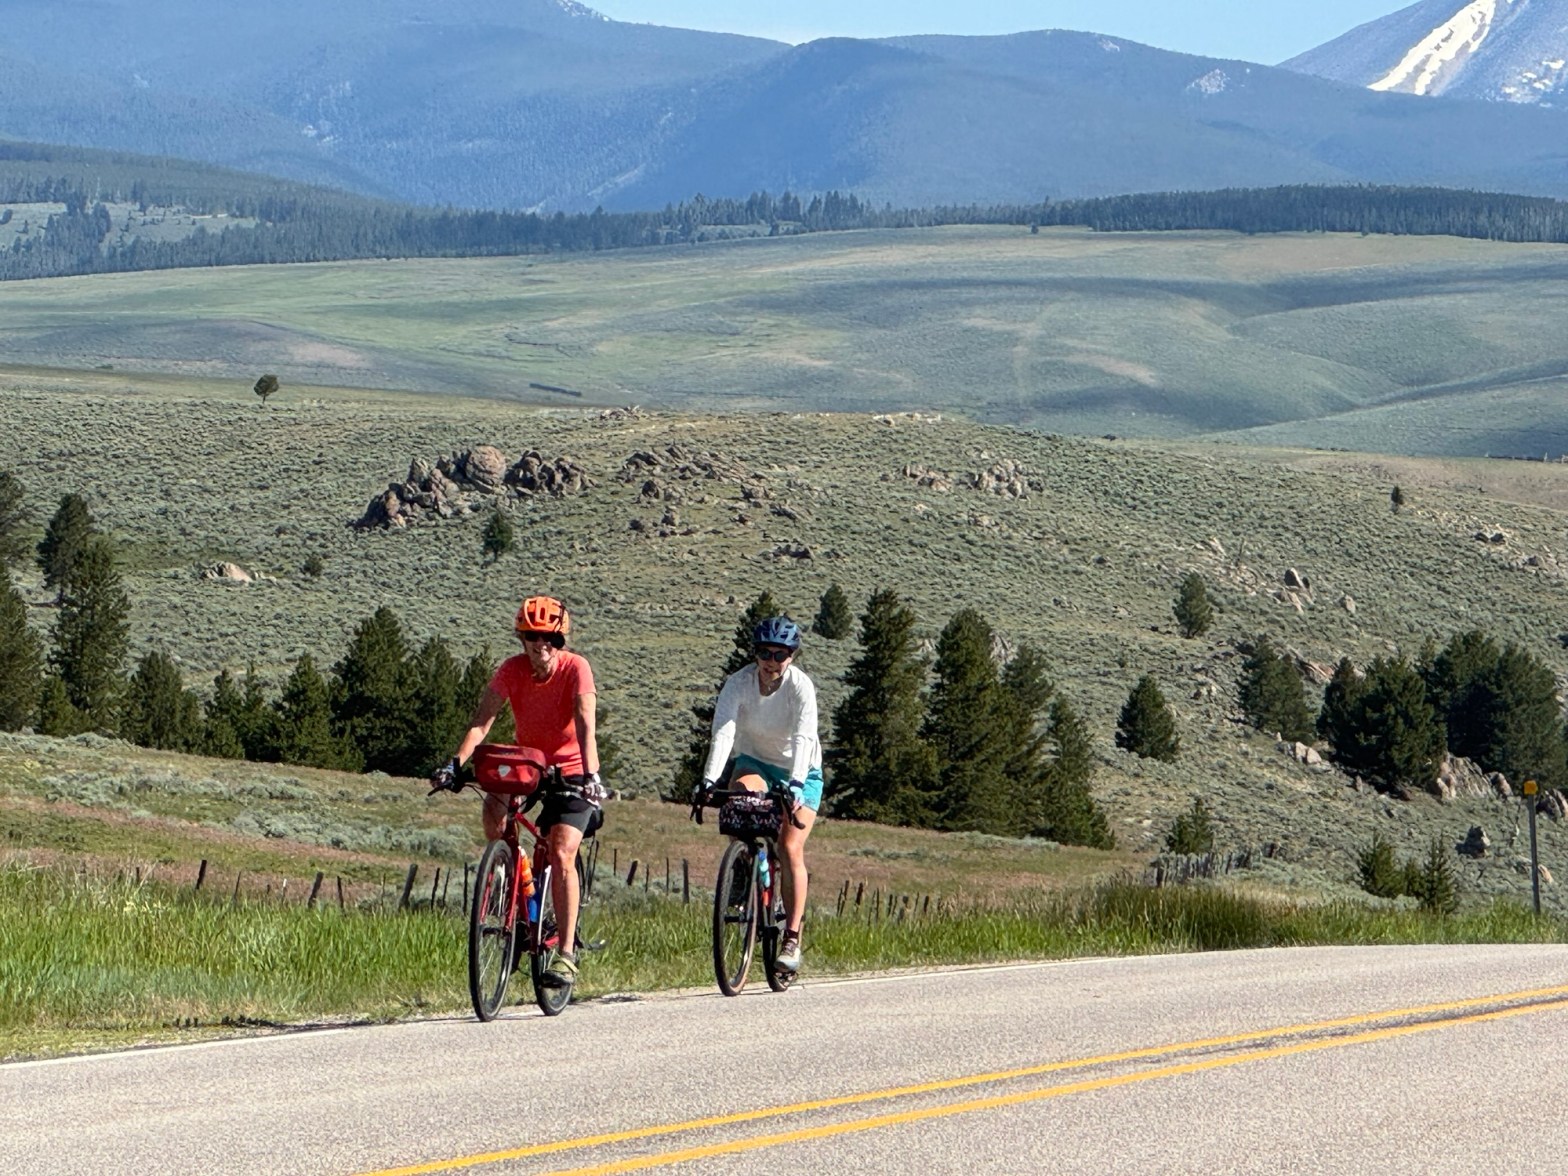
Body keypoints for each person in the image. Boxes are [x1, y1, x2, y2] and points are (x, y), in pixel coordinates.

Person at [432, 595, 604, 991]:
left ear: (561, 640)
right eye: (531, 637)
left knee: (561, 850)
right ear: (521, 639)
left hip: (572, 770)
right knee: (494, 811)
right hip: (531, 764)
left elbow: (585, 724)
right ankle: (514, 885)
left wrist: (591, 774)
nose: (540, 645)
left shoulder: (576, 668)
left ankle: (565, 955)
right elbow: (481, 723)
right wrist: (454, 764)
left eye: (550, 638)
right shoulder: (511, 669)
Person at [700, 615, 823, 972]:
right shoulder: (738, 683)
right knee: (739, 802)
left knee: (789, 846)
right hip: (755, 761)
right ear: (755, 654)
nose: (771, 661)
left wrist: (796, 783)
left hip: (801, 769)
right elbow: (724, 731)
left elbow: (804, 737)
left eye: (780, 655)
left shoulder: (800, 687)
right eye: (765, 653)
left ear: (791, 656)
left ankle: (792, 938)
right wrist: (709, 780)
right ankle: (743, 869)